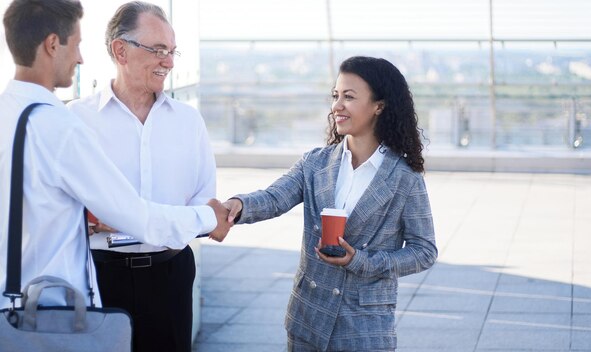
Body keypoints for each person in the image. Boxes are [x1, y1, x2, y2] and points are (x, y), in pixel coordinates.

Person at [0, 0, 230, 312]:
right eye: (77, 44)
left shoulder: (10, 113)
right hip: (65, 299)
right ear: (53, 44)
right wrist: (209, 218)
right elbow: (136, 215)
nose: (81, 58)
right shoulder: (66, 123)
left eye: (171, 51)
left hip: (23, 301)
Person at [223, 56, 438, 351]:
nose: (337, 105)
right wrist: (239, 205)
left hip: (364, 327)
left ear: (379, 106)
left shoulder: (404, 179)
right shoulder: (316, 162)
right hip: (307, 319)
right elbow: (275, 197)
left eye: (349, 97)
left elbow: (424, 251)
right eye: (336, 95)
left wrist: (361, 262)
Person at [67, 2, 217, 351]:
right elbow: (60, 204)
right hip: (99, 277)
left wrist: (124, 219)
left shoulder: (188, 121)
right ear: (121, 50)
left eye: (172, 51)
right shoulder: (76, 120)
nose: (169, 61)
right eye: (159, 50)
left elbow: (203, 203)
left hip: (171, 275)